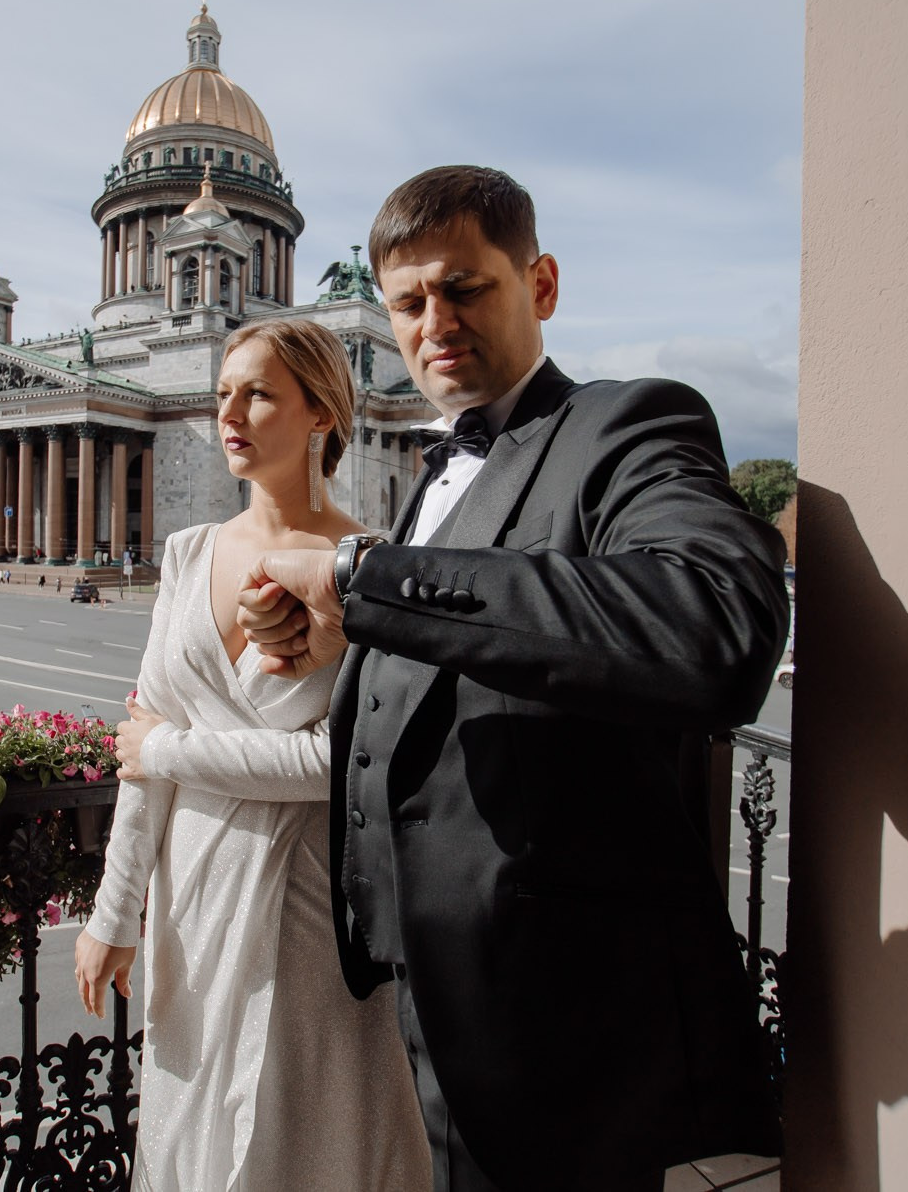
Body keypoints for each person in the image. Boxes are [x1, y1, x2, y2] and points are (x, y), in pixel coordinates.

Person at [235, 167, 789, 1190]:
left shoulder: (629, 424)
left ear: (539, 283)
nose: (430, 322)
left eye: (463, 288)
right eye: (406, 303)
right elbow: (474, 636)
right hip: (420, 984)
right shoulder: (429, 479)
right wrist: (348, 641)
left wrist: (363, 577)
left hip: (553, 1011)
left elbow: (713, 627)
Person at [74, 316, 429, 1190]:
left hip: (309, 904)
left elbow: (334, 762)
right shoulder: (188, 552)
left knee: (303, 1139)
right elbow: (139, 752)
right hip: (191, 898)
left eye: (259, 392)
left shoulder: (372, 569)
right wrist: (115, 911)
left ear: (321, 414)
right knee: (191, 1127)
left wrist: (171, 750)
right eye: (225, 391)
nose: (229, 411)